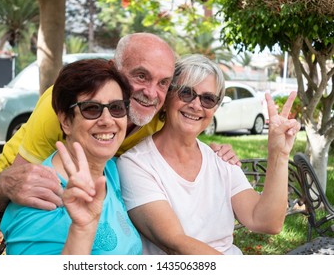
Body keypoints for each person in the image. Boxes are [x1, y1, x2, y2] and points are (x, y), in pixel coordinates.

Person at [0, 33, 240, 213]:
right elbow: (17, 184)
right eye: (141, 76)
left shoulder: (156, 114)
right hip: (41, 193)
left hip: (101, 198)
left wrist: (217, 150)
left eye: (163, 82)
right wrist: (2, 186)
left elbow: (185, 135)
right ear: (114, 69)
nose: (151, 93)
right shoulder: (64, 108)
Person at [116, 54, 301, 255]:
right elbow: (177, 244)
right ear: (167, 97)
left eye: (208, 99)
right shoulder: (135, 164)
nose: (196, 105)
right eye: (186, 93)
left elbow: (266, 222)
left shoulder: (221, 159)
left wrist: (279, 154)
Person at [0, 58, 142, 255]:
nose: (108, 120)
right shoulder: (40, 197)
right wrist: (82, 229)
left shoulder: (111, 169)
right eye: (91, 108)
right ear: (66, 121)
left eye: (117, 108)